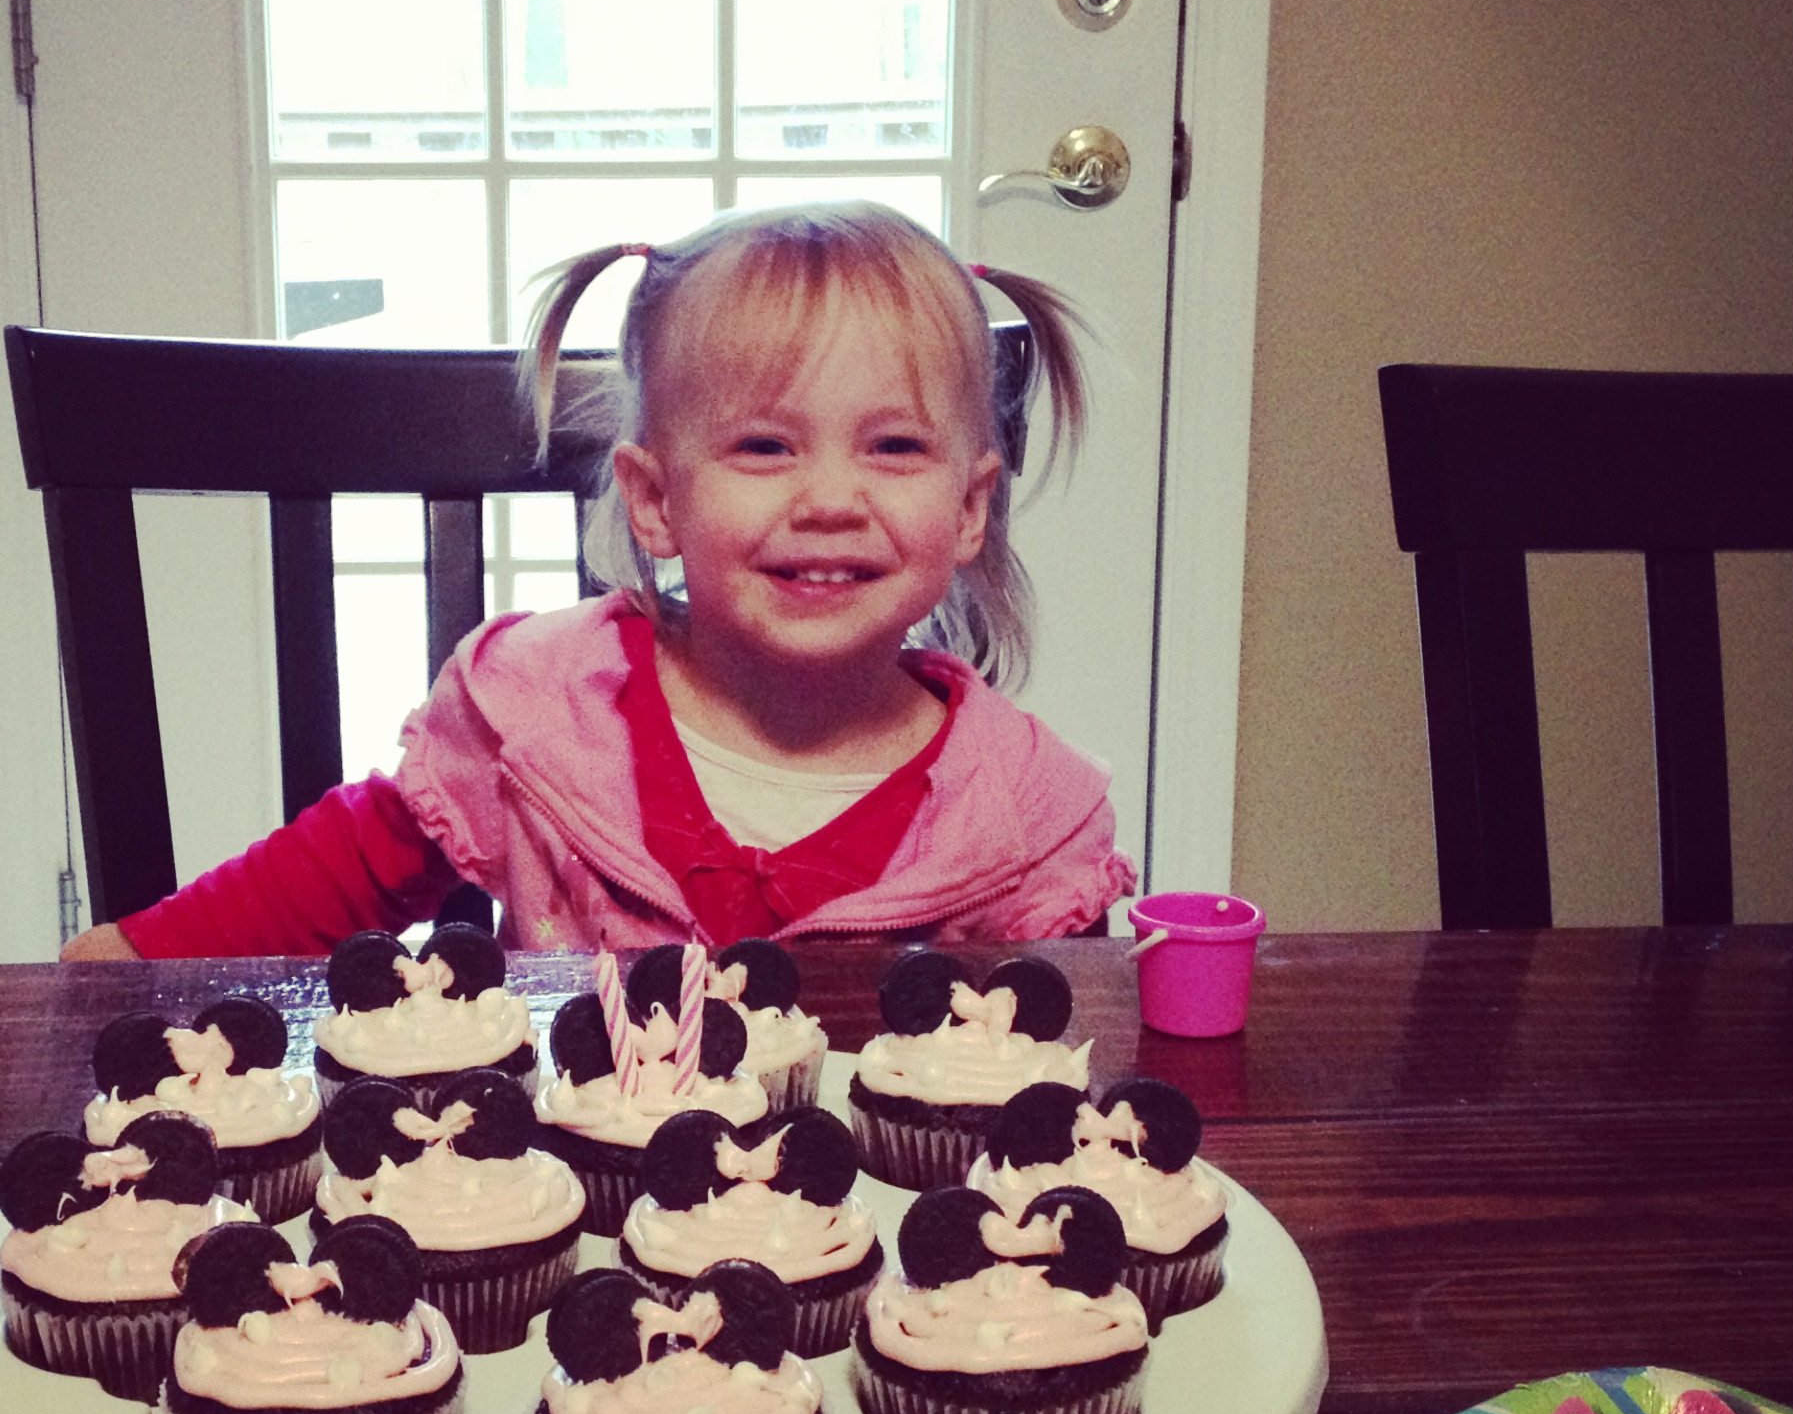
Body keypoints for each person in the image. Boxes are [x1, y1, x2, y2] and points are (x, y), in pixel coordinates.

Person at [62, 201, 1135, 961]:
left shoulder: (1025, 818)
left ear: (970, 507)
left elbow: (1069, 1059)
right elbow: (359, 861)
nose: (830, 500)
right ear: (655, 498)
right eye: (765, 447)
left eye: (895, 447)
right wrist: (139, 957)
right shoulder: (538, 714)